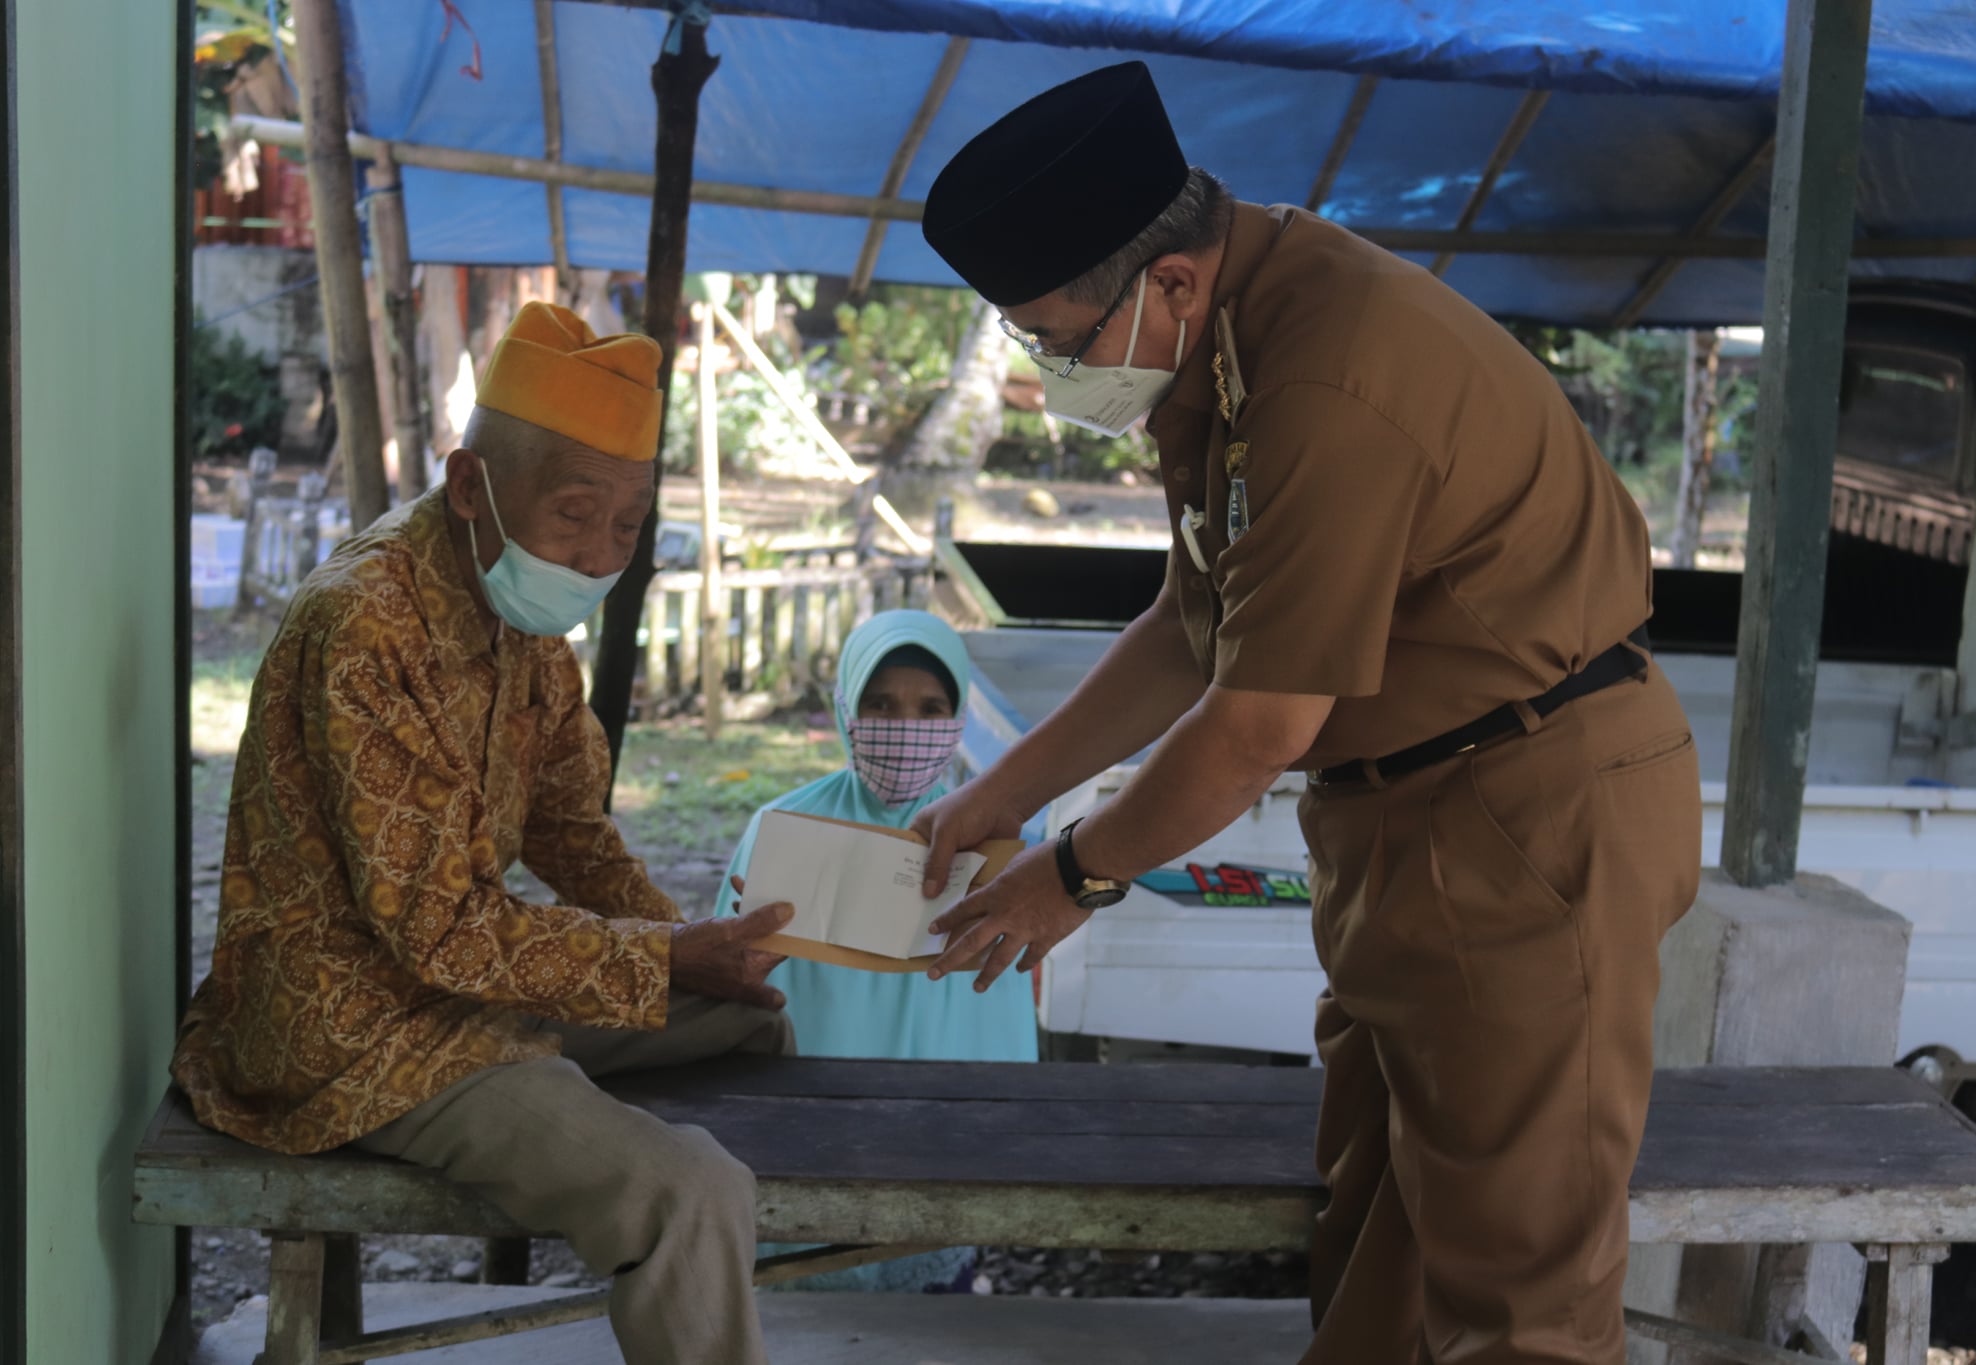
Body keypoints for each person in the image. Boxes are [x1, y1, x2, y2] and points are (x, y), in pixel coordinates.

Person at [911, 62, 1703, 1364]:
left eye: (1058, 339)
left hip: (1523, 819)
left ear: (1169, 281)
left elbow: (1256, 725)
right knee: (1376, 1261)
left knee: (1522, 1302)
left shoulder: (1327, 373)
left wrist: (1073, 874)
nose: (1051, 375)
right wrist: (1001, 793)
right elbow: (1190, 626)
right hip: (1405, 824)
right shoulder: (1226, 338)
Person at [172, 301, 797, 1365]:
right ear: (470, 486)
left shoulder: (523, 617)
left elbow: (571, 831)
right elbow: (439, 931)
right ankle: (679, 1209)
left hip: (471, 993)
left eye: (628, 525)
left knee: (746, 1021)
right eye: (575, 514)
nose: (598, 556)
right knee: (686, 1186)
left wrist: (690, 947)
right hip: (355, 1034)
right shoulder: (365, 622)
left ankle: (707, 1247)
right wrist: (659, 957)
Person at [721, 608, 1037, 1292]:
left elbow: (1002, 1012)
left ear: (958, 718)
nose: (906, 726)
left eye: (931, 708)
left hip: (938, 1131)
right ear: (847, 710)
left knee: (922, 1302)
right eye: (882, 704)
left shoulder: (990, 852)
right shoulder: (782, 828)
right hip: (803, 1127)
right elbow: (724, 985)